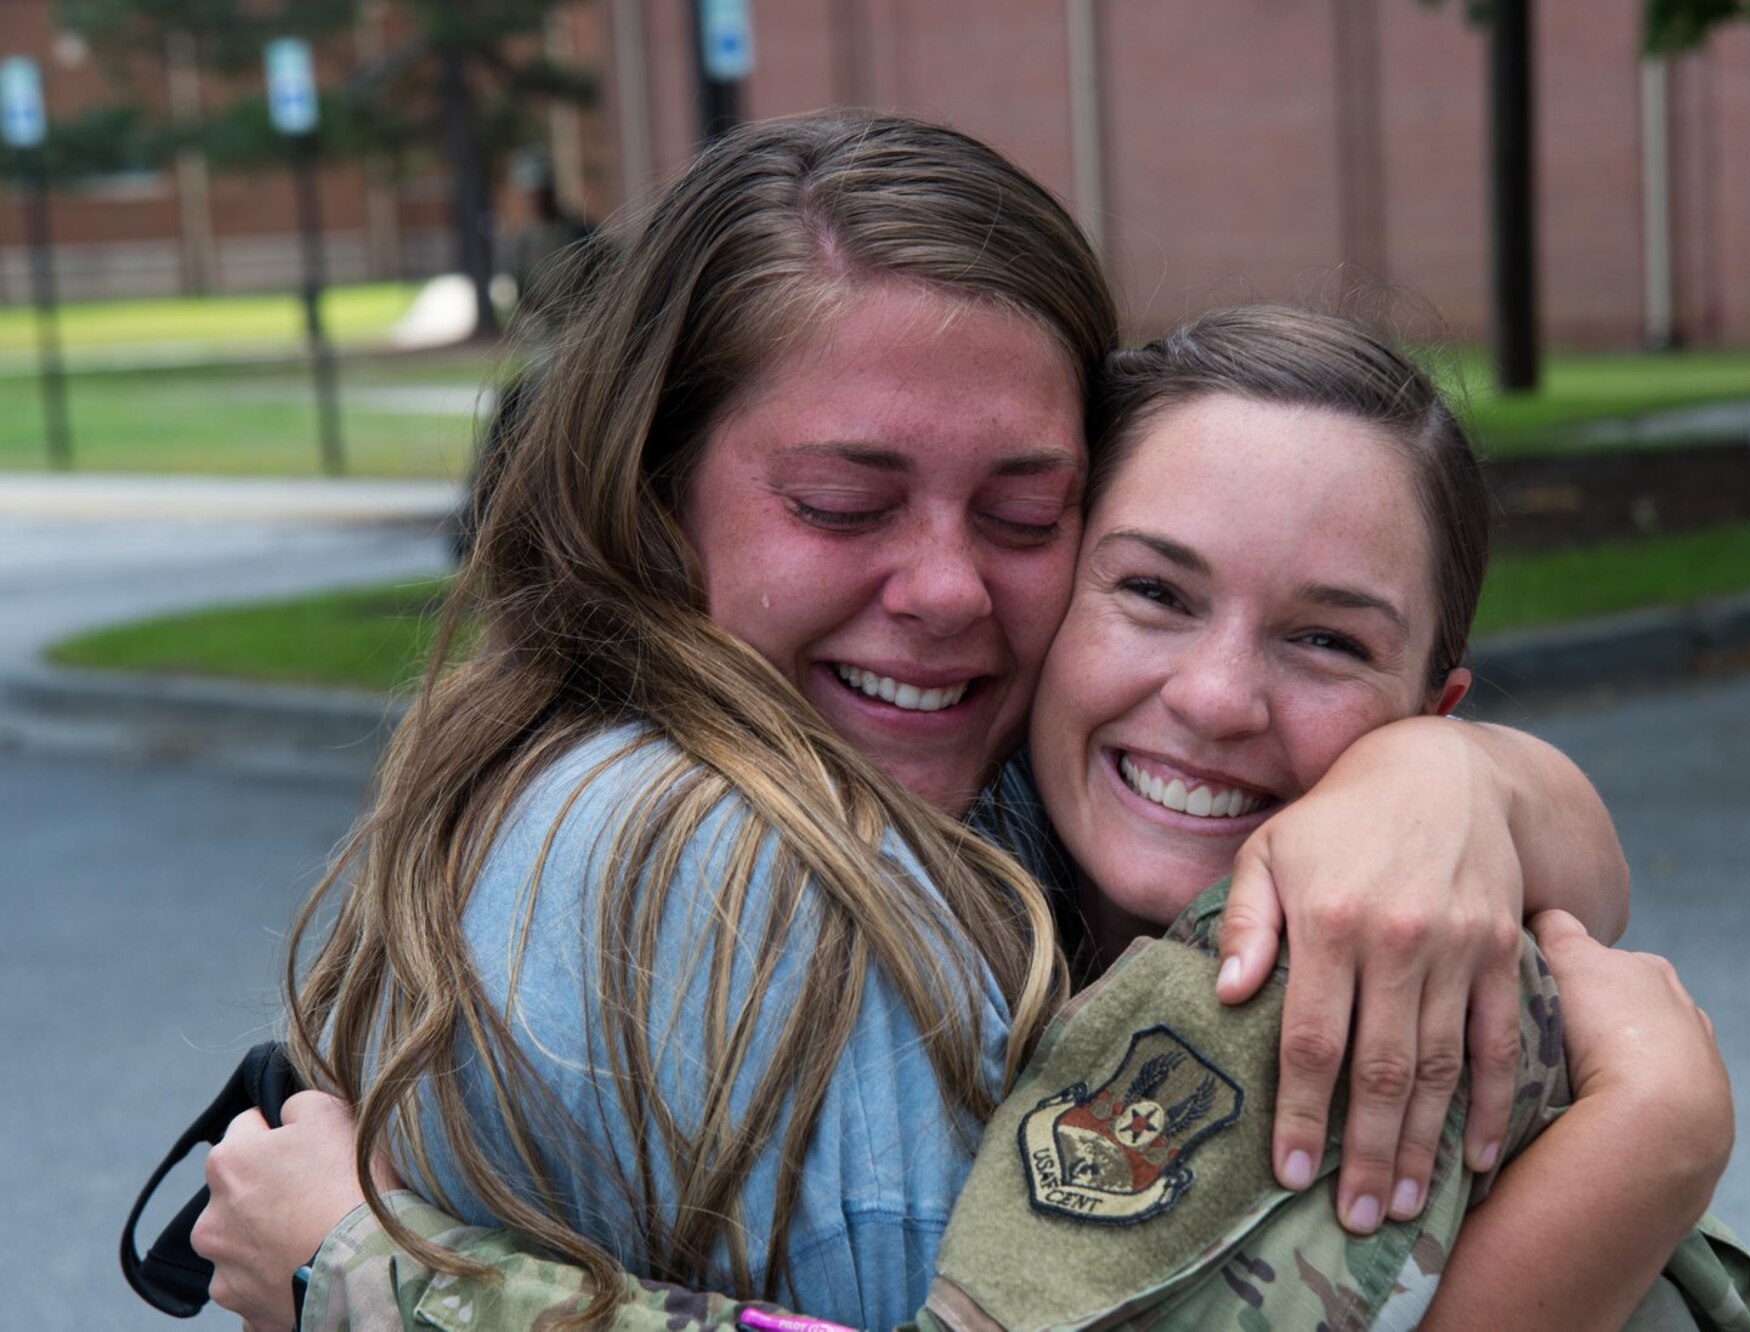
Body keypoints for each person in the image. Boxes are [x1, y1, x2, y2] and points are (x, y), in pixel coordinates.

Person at [191, 119, 1635, 1330]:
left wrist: (1462, 779)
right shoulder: (754, 868)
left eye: (1024, 515)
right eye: (841, 504)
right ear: (650, 490)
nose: (948, 589)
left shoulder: (966, 805)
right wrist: (1647, 1144)